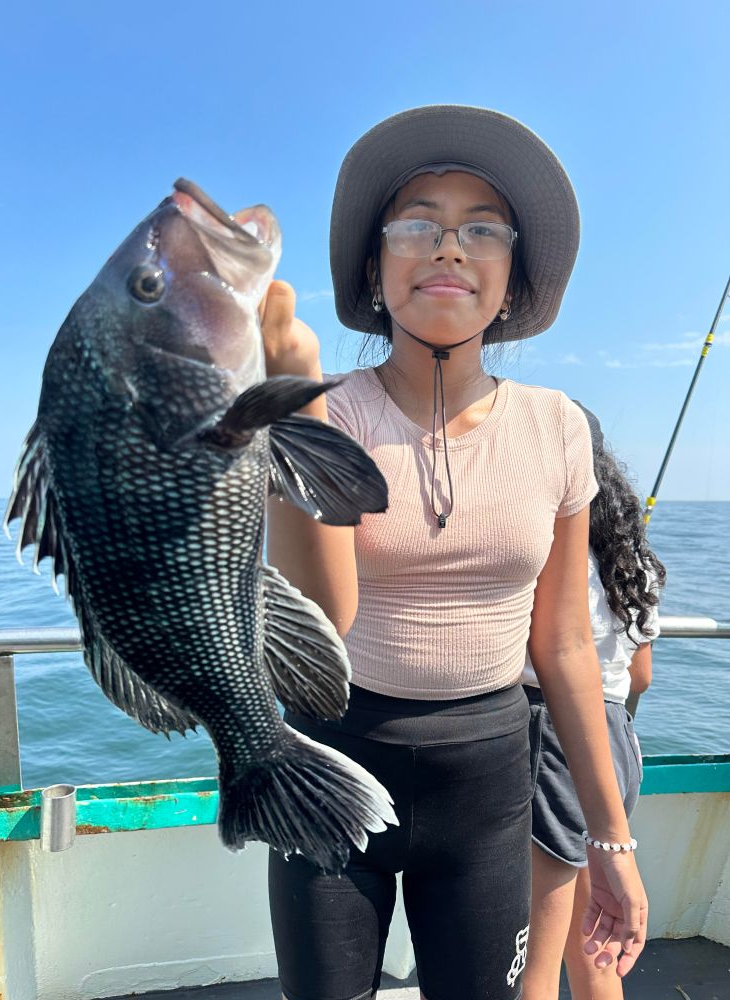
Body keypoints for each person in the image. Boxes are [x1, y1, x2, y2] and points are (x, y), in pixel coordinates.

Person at [261, 105, 648, 1000]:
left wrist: (610, 840)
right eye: (416, 225)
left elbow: (566, 648)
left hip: (487, 778)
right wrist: (290, 412)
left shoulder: (556, 427)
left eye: (481, 228)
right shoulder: (323, 408)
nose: (447, 247)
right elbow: (322, 622)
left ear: (511, 278)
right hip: (330, 759)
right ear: (373, 266)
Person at [522, 404, 665, 1000]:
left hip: (546, 743)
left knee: (531, 954)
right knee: (596, 949)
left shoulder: (537, 553)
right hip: (613, 744)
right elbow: (642, 678)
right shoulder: (631, 563)